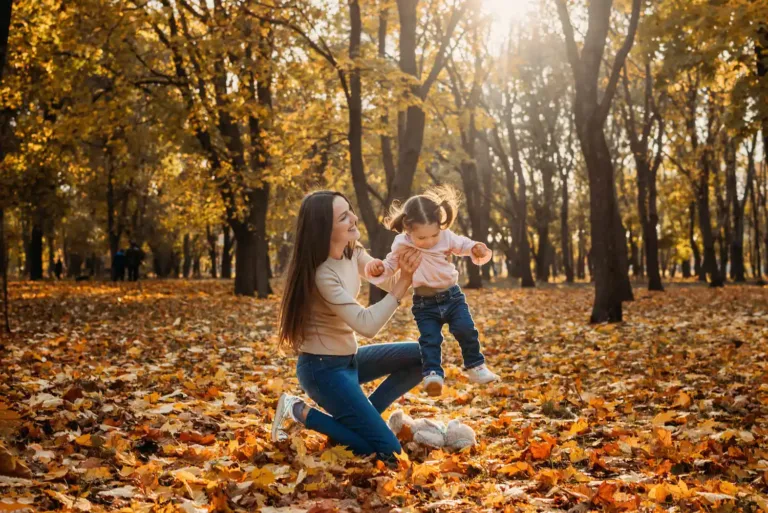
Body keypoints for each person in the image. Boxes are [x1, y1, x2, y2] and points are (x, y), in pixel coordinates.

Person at [271, 191, 424, 465]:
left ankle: (362, 425)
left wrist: (411, 261)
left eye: (350, 210)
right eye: (344, 217)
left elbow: (388, 281)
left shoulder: (352, 251)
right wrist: (404, 282)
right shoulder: (322, 275)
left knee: (426, 356)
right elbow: (368, 325)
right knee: (389, 453)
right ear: (324, 229)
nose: (354, 218)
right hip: (322, 371)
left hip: (349, 362)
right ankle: (296, 410)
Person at [365, 185, 500, 397]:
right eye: (422, 238)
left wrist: (476, 248)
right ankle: (432, 374)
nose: (428, 242)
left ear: (440, 226)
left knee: (466, 329)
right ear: (408, 230)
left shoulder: (446, 237)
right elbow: (391, 265)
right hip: (424, 303)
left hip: (452, 297)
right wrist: (378, 268)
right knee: (429, 339)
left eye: (433, 235)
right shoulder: (401, 243)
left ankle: (476, 366)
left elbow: (463, 244)